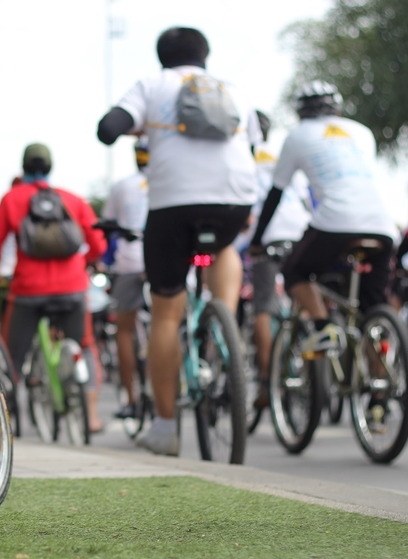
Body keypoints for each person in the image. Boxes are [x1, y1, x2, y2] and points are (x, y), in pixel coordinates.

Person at [97, 27, 260, 456]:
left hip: (173, 206)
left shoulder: (152, 85)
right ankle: (224, 324)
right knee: (222, 247)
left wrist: (136, 129)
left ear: (162, 56)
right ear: (205, 55)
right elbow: (256, 141)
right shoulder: (232, 89)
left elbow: (109, 128)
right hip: (235, 201)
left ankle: (166, 428)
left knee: (167, 313)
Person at [250, 81, 397, 358]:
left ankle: (323, 327)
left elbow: (275, 194)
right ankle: (380, 381)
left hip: (336, 222)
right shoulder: (362, 132)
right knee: (372, 310)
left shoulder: (297, 136)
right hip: (383, 226)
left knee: (294, 271)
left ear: (301, 112)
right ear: (337, 109)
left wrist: (257, 240)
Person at [0, 143, 108, 433]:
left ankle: (1, 420)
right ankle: (91, 414)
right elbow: (97, 243)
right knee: (85, 346)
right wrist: (87, 262)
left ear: (24, 167)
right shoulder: (72, 199)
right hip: (73, 287)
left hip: (28, 289)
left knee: (11, 357)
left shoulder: (12, 198)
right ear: (50, 167)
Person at [241, 110, 312, 410]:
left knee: (264, 307)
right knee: (304, 299)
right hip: (301, 230)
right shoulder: (282, 154)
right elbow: (306, 198)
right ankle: (311, 364)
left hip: (268, 234)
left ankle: (267, 381)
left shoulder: (242, 155)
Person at [100, 137, 150, 420]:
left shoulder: (122, 186)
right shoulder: (168, 181)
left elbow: (107, 225)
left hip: (131, 262)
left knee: (124, 331)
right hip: (164, 261)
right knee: (171, 324)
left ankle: (132, 399)